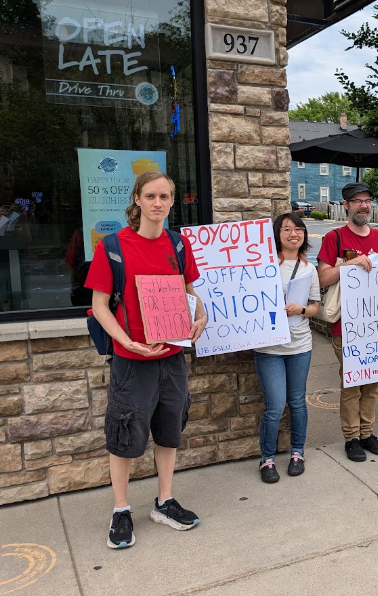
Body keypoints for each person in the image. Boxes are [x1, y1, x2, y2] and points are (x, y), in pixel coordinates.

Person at [85, 170, 207, 549]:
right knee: (124, 433)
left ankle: (164, 500)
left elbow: (190, 292)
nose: (158, 203)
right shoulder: (113, 247)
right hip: (131, 359)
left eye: (165, 197)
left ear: (172, 201)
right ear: (137, 199)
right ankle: (121, 509)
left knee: (169, 429)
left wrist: (201, 316)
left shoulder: (178, 244)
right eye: (151, 196)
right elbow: (99, 306)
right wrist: (127, 342)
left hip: (171, 357)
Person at [317, 182, 378, 461]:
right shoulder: (334, 238)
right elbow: (323, 278)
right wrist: (350, 264)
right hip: (346, 326)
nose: (363, 205)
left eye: (367, 200)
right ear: (346, 205)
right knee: (351, 384)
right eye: (357, 201)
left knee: (372, 383)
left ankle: (367, 434)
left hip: (377, 326)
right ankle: (351, 439)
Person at [254, 213, 321, 483]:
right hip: (269, 348)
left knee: (297, 401)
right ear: (277, 234)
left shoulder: (309, 268)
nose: (294, 234)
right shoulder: (263, 265)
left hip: (300, 345)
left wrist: (301, 309)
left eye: (299, 229)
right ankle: (267, 458)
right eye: (287, 229)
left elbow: (316, 307)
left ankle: (297, 452)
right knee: (274, 405)